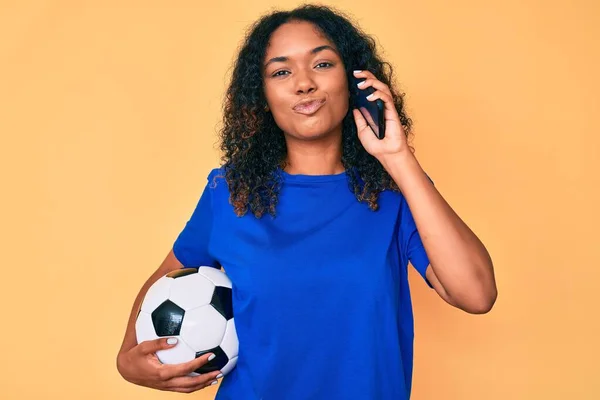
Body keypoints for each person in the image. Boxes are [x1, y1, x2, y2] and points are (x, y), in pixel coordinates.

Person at [116, 4, 497, 399]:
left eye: (322, 64)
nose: (303, 84)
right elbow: (167, 278)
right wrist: (127, 360)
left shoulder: (396, 193)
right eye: (281, 71)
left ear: (354, 81)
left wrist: (400, 160)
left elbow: (476, 294)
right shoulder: (230, 193)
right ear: (262, 96)